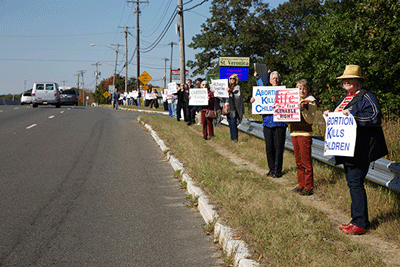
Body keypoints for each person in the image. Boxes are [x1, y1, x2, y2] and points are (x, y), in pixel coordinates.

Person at [324, 65, 388, 235]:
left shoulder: (367, 96)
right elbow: (340, 118)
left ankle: (361, 223)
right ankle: (356, 220)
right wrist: (330, 114)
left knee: (355, 183)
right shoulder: (345, 98)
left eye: (350, 78)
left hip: (361, 148)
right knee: (352, 183)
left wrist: (352, 117)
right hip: (348, 148)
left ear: (358, 81)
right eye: (344, 79)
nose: (346, 81)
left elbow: (375, 116)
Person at [250, 71, 287, 178]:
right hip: (267, 123)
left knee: (279, 148)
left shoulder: (283, 91)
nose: (275, 80)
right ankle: (271, 169)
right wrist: (254, 101)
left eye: (277, 78)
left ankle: (278, 170)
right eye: (273, 78)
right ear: (270, 80)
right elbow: (260, 89)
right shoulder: (265, 90)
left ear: (279, 80)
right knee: (269, 148)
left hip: (280, 123)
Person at [289, 79, 317, 195]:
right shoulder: (291, 101)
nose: (302, 91)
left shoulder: (311, 102)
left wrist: (302, 109)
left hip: (305, 134)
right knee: (298, 161)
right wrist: (279, 110)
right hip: (294, 133)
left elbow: (310, 120)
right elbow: (287, 119)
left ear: (307, 90)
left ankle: (308, 186)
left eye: (304, 88)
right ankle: (301, 184)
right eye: (299, 88)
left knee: (306, 162)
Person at [226, 74, 244, 142]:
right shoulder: (228, 87)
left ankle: (235, 138)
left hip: (234, 108)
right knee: (230, 123)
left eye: (233, 78)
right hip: (228, 107)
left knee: (234, 123)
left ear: (236, 80)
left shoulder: (237, 87)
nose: (232, 79)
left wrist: (230, 93)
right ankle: (231, 137)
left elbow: (237, 97)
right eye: (230, 78)